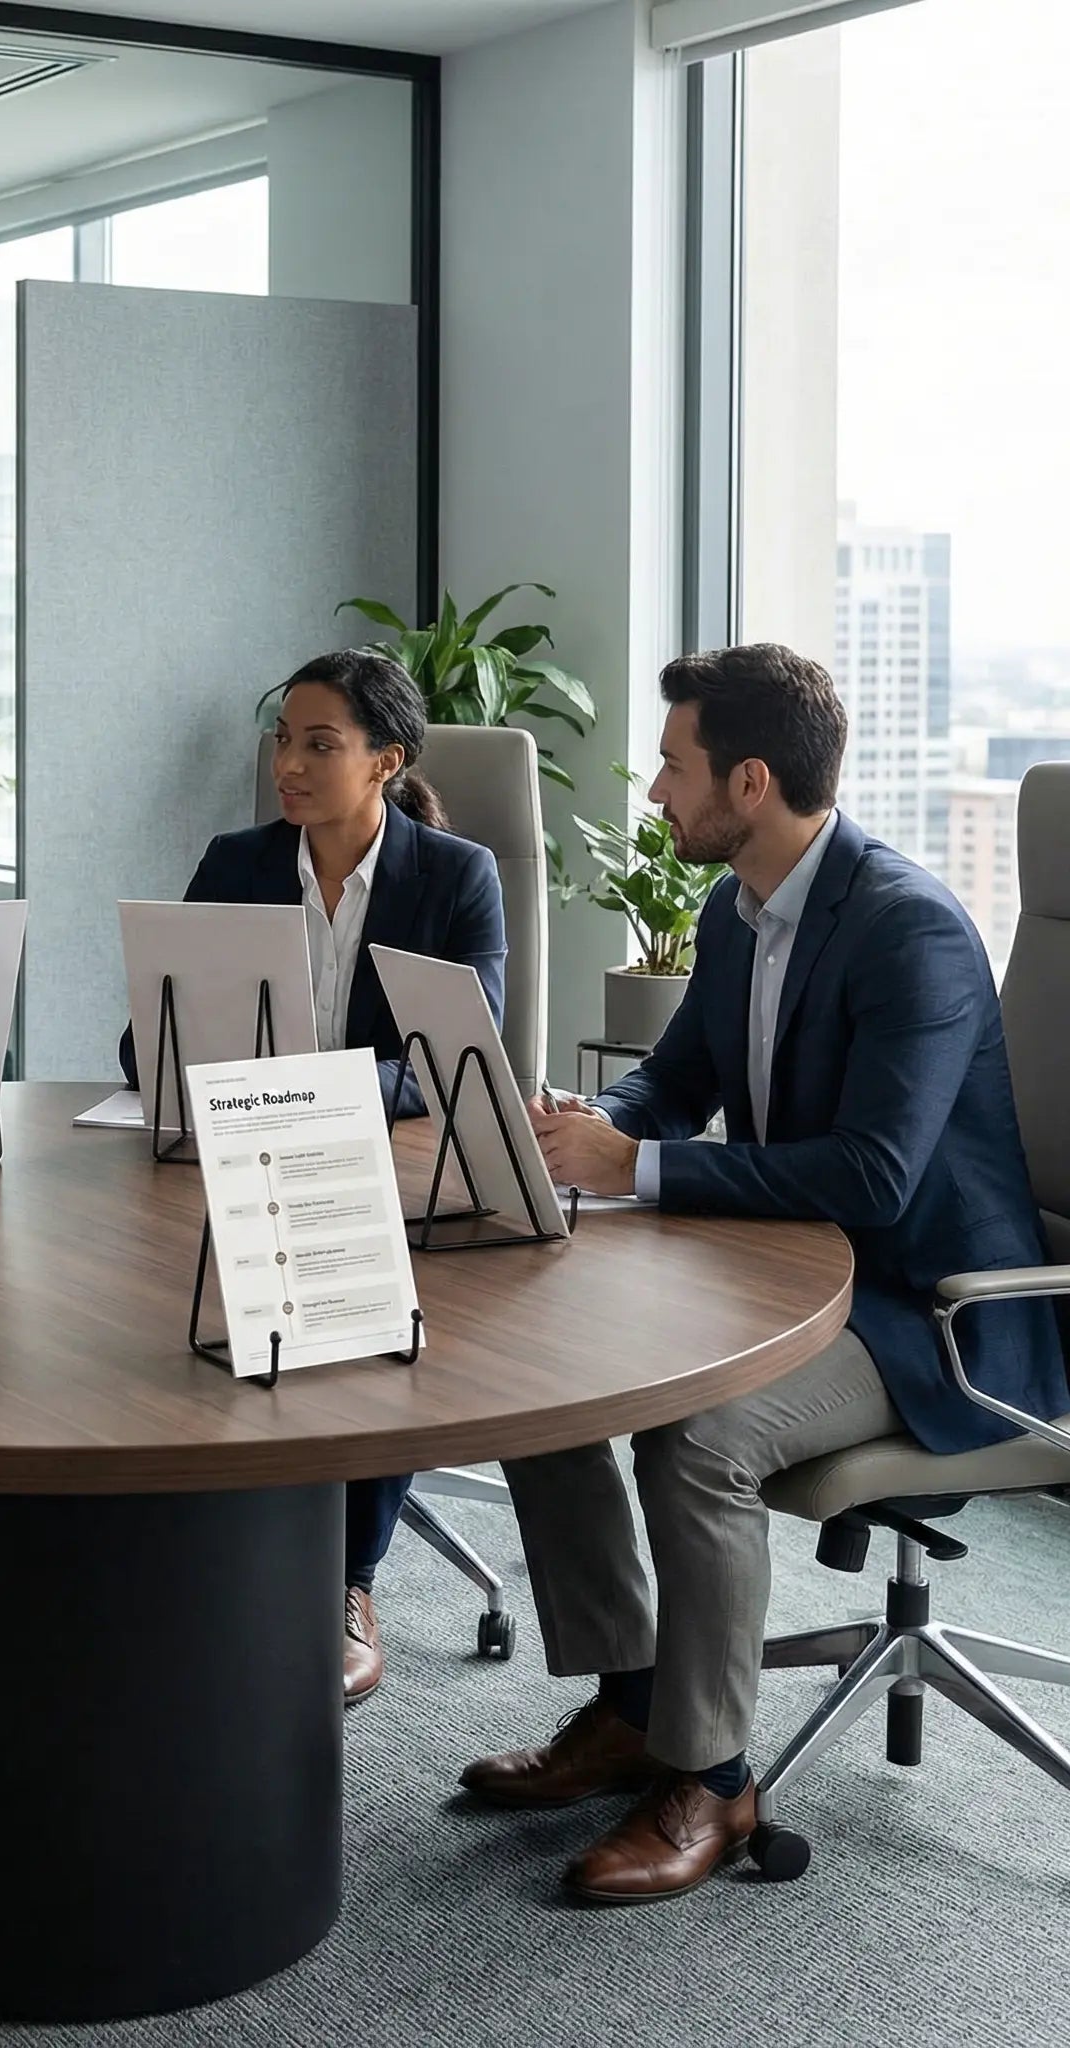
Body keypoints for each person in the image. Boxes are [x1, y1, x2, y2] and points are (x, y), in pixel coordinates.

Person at [470, 642, 1070, 1906]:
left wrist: (631, 1170)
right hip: (787, 1272)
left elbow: (869, 1179)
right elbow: (674, 1082)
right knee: (545, 1376)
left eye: (671, 767)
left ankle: (714, 1776)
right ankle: (633, 1700)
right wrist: (590, 1119)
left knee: (695, 1432)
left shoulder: (906, 931)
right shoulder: (735, 909)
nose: (651, 794)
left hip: (931, 1312)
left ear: (748, 782)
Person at [125, 648, 507, 1707]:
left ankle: (347, 1578)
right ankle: (199, 1539)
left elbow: (456, 1056)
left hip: (385, 1171)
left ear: (384, 761)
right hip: (247, 1154)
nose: (286, 764)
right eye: (283, 739)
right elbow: (141, 1046)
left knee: (368, 1290)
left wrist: (312, 1085)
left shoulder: (454, 876)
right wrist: (199, 1050)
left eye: (318, 743)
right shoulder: (237, 862)